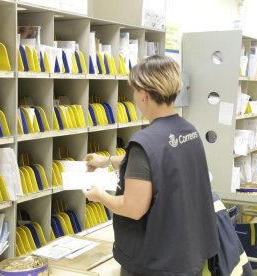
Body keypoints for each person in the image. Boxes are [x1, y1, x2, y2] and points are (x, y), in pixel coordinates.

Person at [84, 55, 219, 276]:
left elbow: (134, 208)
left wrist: (101, 196)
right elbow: (161, 161)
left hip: (155, 263)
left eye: (135, 91)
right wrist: (106, 161)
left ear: (144, 95)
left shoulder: (144, 142)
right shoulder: (188, 131)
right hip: (188, 253)